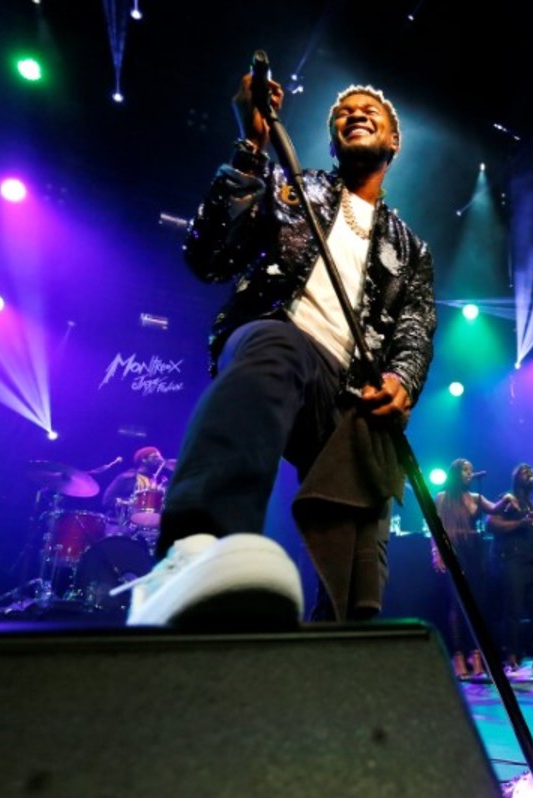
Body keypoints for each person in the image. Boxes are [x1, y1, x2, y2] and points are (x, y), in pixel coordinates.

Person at [116, 66, 436, 628]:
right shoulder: (293, 188)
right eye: (342, 113)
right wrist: (250, 149)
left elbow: (416, 324)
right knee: (276, 344)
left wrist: (402, 380)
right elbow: (209, 256)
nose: (354, 114)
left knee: (359, 552)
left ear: (394, 142)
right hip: (281, 341)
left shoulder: (410, 247)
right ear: (332, 141)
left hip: (352, 393)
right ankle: (196, 547)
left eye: (370, 112)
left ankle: (339, 651)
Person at [432, 458, 506, 679]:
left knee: (477, 604)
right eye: (465, 470)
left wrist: (507, 499)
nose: (469, 473)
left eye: (471, 470)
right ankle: (458, 656)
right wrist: (437, 552)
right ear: (456, 473)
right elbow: (436, 525)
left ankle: (476, 654)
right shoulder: (442, 497)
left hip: (475, 554)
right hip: (454, 551)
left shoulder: (475, 497)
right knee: (457, 604)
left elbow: (494, 509)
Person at [486, 463, 533, 672]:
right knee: (513, 610)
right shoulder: (507, 499)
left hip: (532, 562)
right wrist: (519, 524)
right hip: (512, 560)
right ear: (516, 478)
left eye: (532, 471)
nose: (530, 474)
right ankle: (512, 657)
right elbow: (491, 524)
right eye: (525, 472)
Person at [101, 446, 169, 529]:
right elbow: (107, 501)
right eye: (155, 457)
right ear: (144, 459)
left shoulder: (161, 481)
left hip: (149, 527)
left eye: (161, 457)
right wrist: (130, 504)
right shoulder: (126, 478)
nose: (161, 459)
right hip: (120, 524)